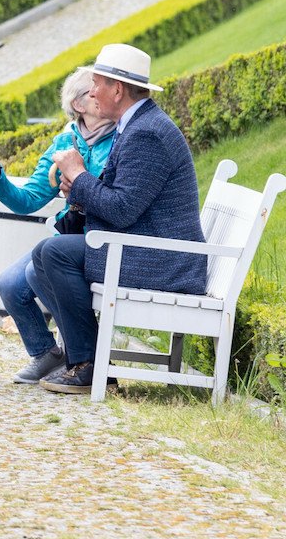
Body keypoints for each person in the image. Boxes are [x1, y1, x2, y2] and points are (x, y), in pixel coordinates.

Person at [33, 43, 205, 394]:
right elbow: (119, 198)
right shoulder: (137, 124)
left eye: (97, 84)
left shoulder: (147, 133)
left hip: (163, 261)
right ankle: (89, 363)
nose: (92, 92)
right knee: (47, 251)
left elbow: (122, 209)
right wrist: (77, 194)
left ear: (117, 89)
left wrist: (79, 176)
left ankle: (90, 366)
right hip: (150, 248)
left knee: (53, 253)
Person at [0, 66, 116, 384]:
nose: (102, 93)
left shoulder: (122, 140)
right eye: (94, 89)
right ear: (80, 104)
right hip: (67, 239)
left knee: (32, 273)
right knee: (9, 285)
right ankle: (47, 354)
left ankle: (81, 354)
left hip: (95, 241)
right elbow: (28, 200)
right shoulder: (65, 142)